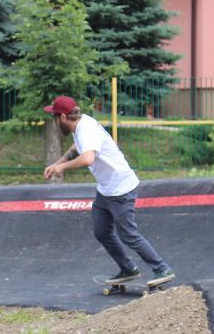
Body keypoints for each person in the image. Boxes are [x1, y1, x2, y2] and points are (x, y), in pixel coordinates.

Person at [42, 95, 175, 285]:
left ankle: (162, 268)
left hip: (121, 189)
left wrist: (61, 168)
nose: (55, 122)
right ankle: (128, 269)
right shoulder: (80, 125)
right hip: (106, 189)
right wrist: (58, 162)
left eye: (55, 118)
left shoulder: (85, 129)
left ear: (63, 117)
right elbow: (78, 146)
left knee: (128, 234)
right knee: (101, 231)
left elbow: (88, 158)